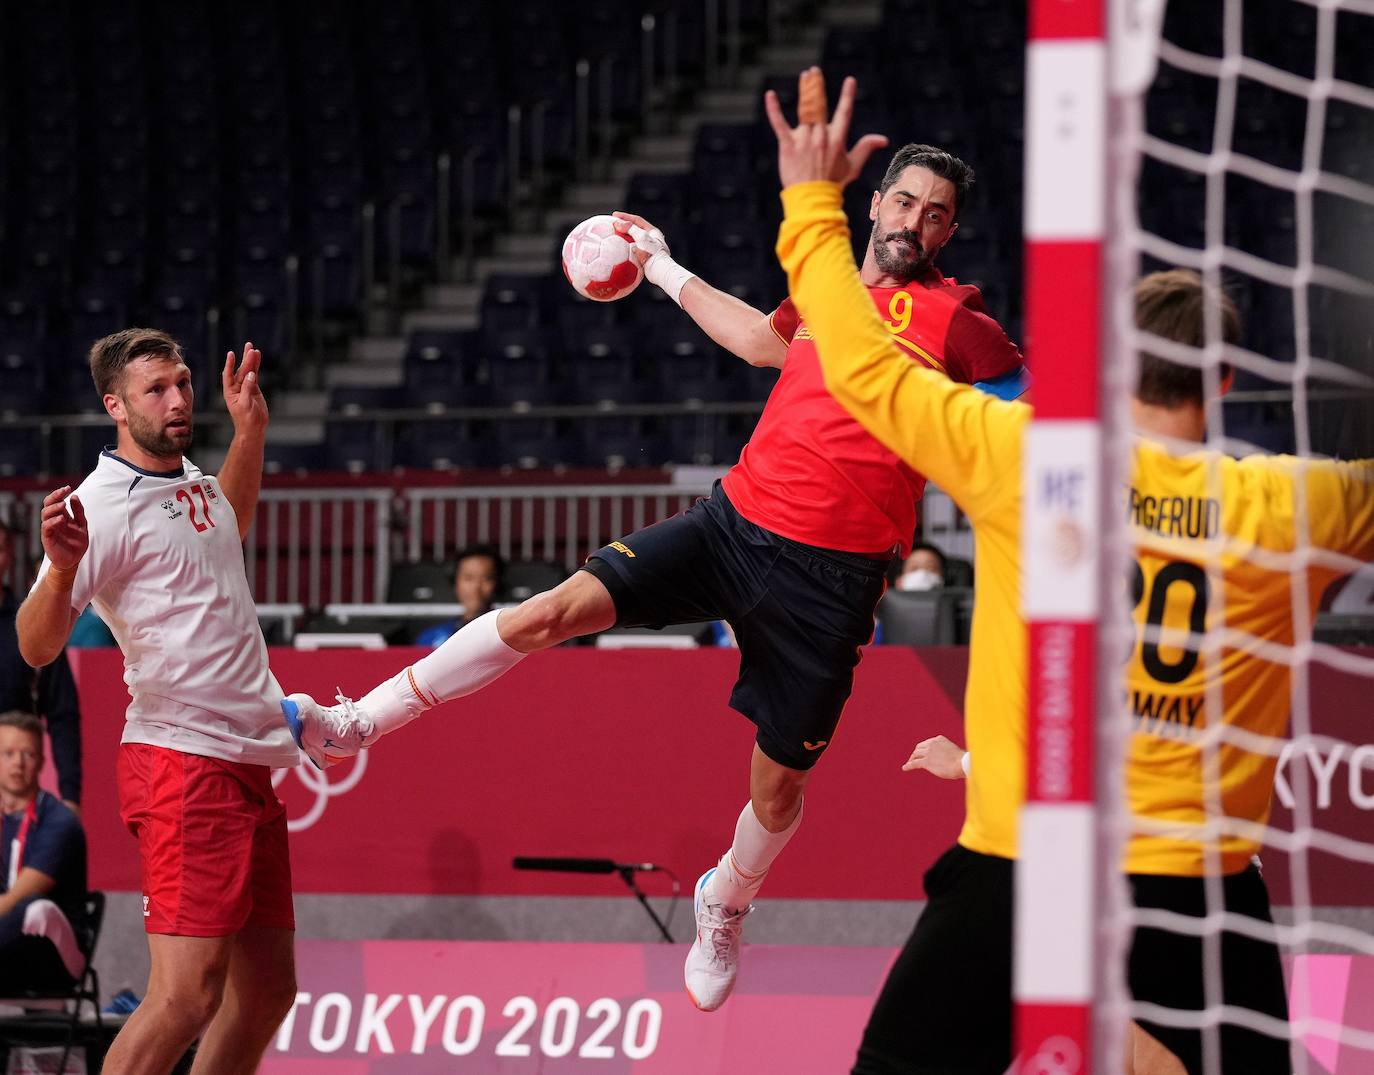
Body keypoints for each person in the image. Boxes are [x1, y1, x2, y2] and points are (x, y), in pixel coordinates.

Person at [279, 71, 1025, 1014]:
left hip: (832, 587)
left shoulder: (961, 323)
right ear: (876, 203)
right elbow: (763, 341)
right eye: (906, 200)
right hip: (732, 522)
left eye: (937, 212)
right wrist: (664, 267)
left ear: (949, 232)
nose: (916, 220)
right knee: (551, 610)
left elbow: (1032, 428)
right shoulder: (828, 288)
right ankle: (353, 725)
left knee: (780, 789)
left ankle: (727, 896)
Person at [762, 75, 1374, 1074]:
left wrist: (809, 204)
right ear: (1223, 378)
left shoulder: (1030, 459)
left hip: (1021, 867)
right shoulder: (1296, 506)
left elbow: (865, 366)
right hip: (1198, 885)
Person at [16, 330, 301, 1075]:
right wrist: (61, 573)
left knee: (268, 989)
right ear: (114, 405)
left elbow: (227, 528)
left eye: (181, 383)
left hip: (246, 760)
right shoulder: (97, 506)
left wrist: (251, 435)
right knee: (184, 998)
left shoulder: (192, 480)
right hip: (183, 762)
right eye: (156, 390)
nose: (178, 400)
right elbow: (35, 646)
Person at [0, 711, 88, 995]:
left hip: (54, 957)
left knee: (35, 909)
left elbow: (16, 898)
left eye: (27, 754)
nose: (17, 764)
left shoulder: (60, 821)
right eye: (8, 753)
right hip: (8, 953)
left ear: (41, 761)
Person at [0, 522, 84, 811]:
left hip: (17, 790)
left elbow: (63, 716)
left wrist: (70, 794)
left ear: (9, 554)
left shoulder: (30, 626)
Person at [413, 546, 504, 648]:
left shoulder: (508, 632)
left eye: (486, 578)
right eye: (468, 578)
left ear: (498, 584)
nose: (476, 587)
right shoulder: (431, 638)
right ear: (455, 583)